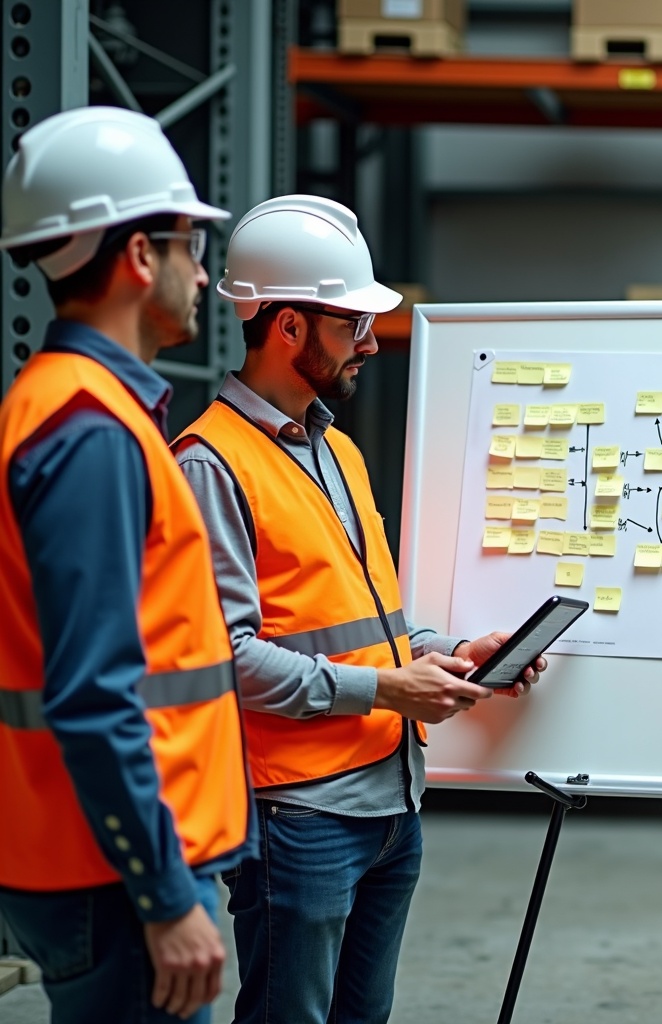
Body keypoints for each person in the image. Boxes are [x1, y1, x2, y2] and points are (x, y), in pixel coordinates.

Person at [171, 195, 545, 1024]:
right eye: (351, 325)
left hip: (389, 803)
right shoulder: (209, 464)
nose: (372, 343)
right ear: (288, 327)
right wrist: (387, 692)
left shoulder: (335, 447)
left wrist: (457, 650)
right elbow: (226, 658)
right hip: (299, 817)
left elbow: (371, 620)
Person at [0, 107, 253, 1023]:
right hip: (112, 877)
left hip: (96, 860)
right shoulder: (89, 433)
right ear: (142, 258)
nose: (201, 273)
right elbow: (92, 693)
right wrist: (164, 895)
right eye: (190, 243)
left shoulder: (72, 408)